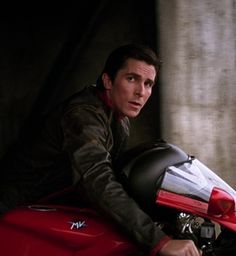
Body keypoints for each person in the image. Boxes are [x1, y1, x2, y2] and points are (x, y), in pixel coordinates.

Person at [0, 44, 201, 255]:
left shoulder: (118, 117)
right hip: (14, 211)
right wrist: (159, 241)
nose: (141, 92)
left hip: (46, 208)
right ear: (107, 81)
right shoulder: (83, 115)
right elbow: (97, 179)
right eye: (131, 78)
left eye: (148, 83)